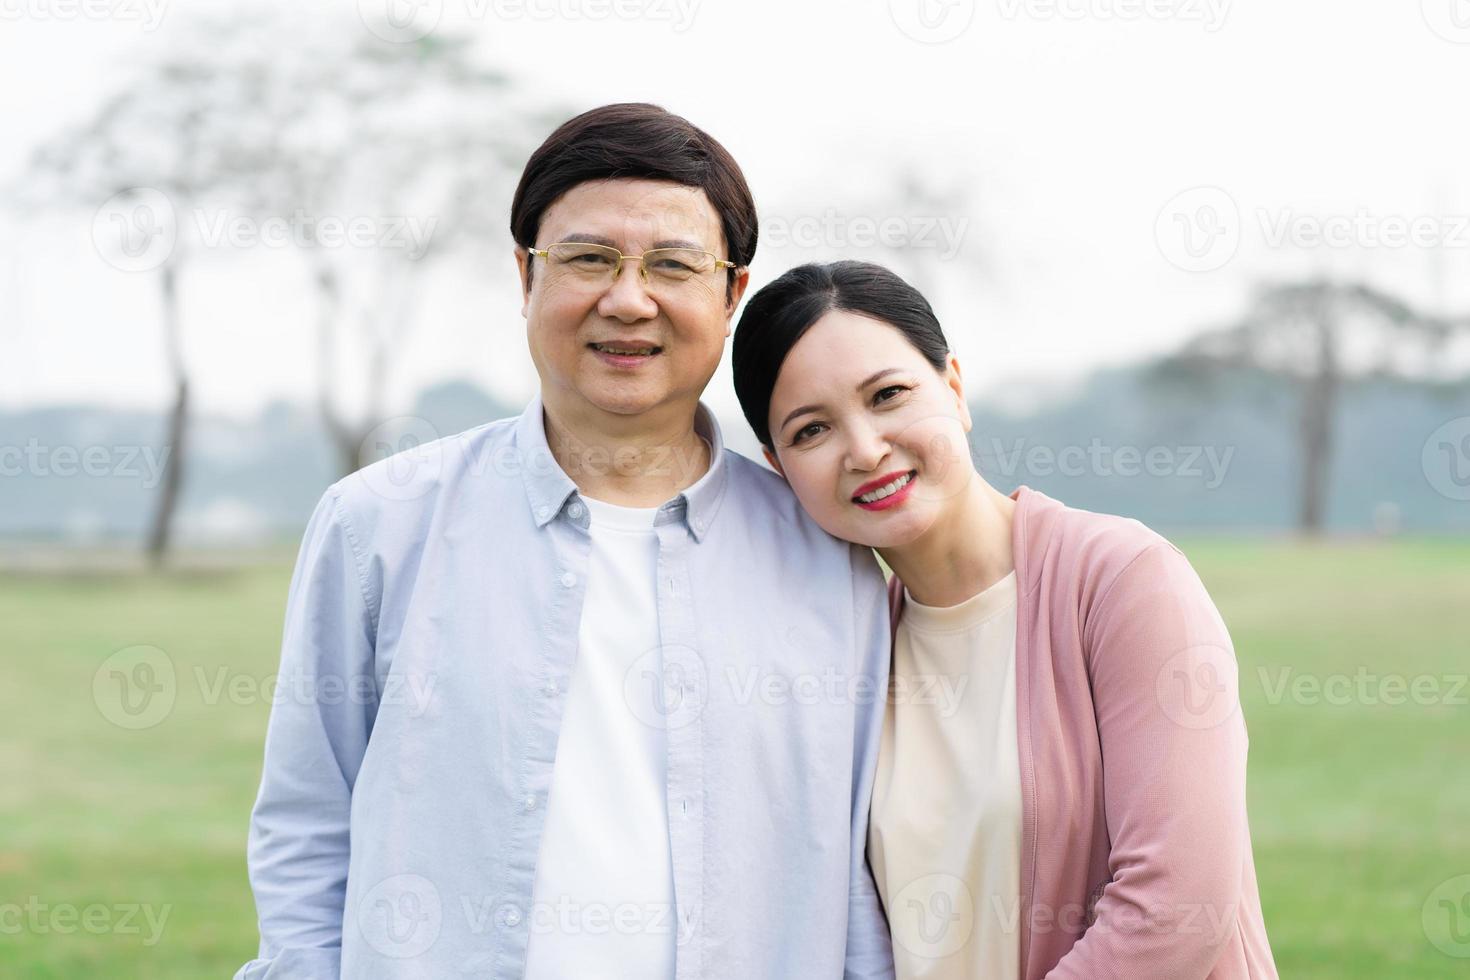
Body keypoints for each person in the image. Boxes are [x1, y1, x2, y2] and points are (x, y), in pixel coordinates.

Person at [237, 106, 895, 979]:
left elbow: (852, 864)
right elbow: (308, 827)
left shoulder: (826, 555)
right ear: (525, 275)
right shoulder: (379, 525)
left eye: (673, 264)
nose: (628, 299)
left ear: (731, 293)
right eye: (588, 258)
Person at [732, 260, 1278, 979]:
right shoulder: (855, 648)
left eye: (889, 395)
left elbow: (1177, 912)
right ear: (779, 467)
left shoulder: (1123, 581)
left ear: (954, 387)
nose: (864, 449)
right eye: (812, 431)